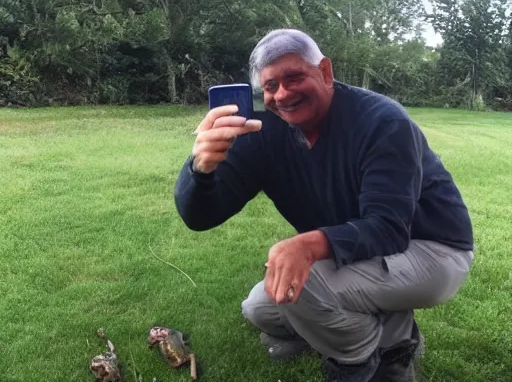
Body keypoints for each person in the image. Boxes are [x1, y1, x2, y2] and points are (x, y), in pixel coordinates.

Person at [173, 28, 474, 382]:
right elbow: (200, 217)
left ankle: (374, 354)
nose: (283, 94)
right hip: (358, 251)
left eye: (294, 77)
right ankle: (354, 329)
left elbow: (390, 228)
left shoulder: (382, 122)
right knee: (261, 308)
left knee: (307, 286)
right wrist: (201, 168)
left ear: (326, 72)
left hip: (432, 250)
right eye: (270, 86)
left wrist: (307, 244)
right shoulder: (264, 133)